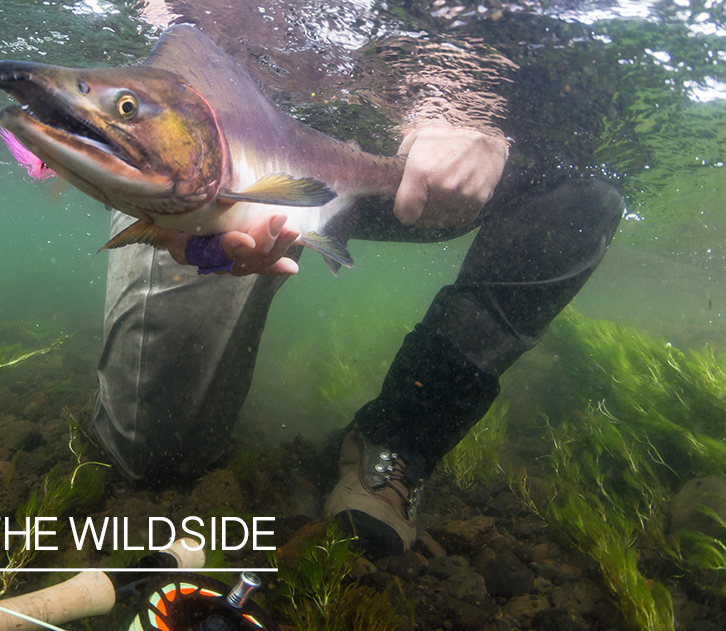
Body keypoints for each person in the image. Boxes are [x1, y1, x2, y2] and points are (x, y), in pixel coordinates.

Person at [88, 50, 626, 558]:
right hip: (237, 164)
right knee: (151, 452)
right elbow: (176, 29)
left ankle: (397, 442)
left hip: (424, 171)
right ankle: (192, 211)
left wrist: (463, 113)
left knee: (589, 193)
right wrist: (179, 213)